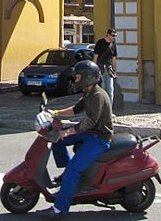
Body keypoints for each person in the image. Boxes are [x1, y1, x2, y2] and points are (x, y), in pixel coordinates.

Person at [39, 60, 113, 219]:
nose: (75, 80)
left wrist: (68, 132)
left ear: (87, 77)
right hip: (90, 133)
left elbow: (90, 121)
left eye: (78, 77)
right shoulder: (89, 92)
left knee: (74, 169)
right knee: (56, 140)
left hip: (99, 138)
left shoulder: (97, 95)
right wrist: (55, 113)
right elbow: (75, 110)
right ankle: (67, 175)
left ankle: (59, 209)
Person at [93, 28, 117, 104]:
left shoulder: (113, 44)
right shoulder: (100, 43)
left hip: (108, 69)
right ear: (108, 35)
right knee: (102, 89)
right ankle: (102, 109)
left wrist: (114, 70)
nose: (114, 37)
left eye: (115, 36)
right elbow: (95, 57)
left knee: (110, 90)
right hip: (100, 69)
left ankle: (109, 110)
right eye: (113, 35)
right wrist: (94, 70)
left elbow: (114, 59)